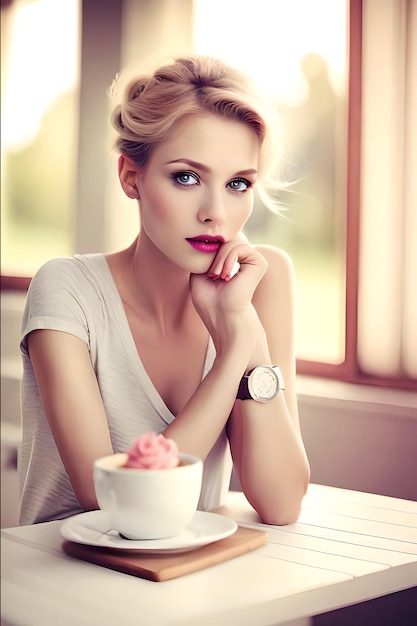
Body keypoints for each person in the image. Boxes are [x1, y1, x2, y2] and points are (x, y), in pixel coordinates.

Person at [19, 55, 310, 527]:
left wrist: (243, 325)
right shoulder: (66, 288)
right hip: (67, 581)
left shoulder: (262, 279)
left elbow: (281, 504)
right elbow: (109, 501)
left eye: (238, 183)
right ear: (131, 177)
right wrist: (233, 354)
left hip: (191, 586)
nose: (215, 212)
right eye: (187, 177)